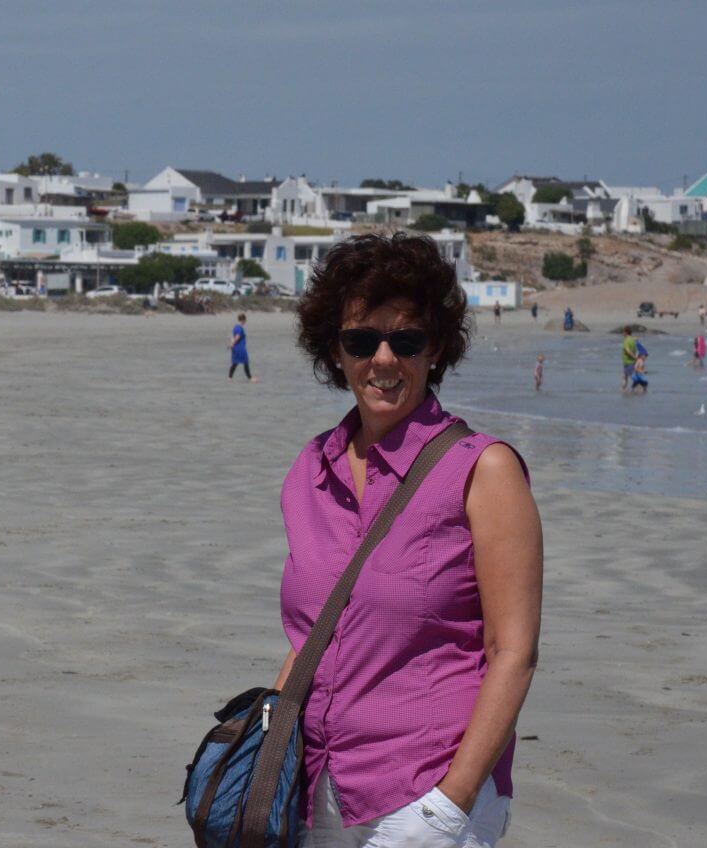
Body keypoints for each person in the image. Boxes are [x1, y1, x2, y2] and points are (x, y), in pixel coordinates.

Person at [280, 233, 541, 847]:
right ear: (335, 349)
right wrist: (269, 756)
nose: (384, 360)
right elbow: (309, 637)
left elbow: (513, 651)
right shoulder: (311, 470)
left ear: (436, 347)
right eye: (361, 341)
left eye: (406, 341)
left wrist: (451, 804)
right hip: (315, 791)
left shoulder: (484, 470)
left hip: (423, 794)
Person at [228, 313, 256, 382]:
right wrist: (232, 344)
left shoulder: (235, 327)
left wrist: (231, 344)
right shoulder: (240, 328)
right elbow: (237, 337)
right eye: (245, 320)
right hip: (240, 348)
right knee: (245, 362)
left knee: (235, 363)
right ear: (243, 320)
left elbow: (233, 337)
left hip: (235, 348)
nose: (245, 322)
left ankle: (229, 378)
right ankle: (250, 378)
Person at [620, 325, 638, 392]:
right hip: (631, 362)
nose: (622, 333)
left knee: (630, 377)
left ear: (626, 332)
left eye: (623, 332)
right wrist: (635, 358)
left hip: (629, 362)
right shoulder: (632, 340)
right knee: (625, 376)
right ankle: (623, 390)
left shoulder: (626, 340)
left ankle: (640, 388)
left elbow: (628, 351)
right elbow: (636, 350)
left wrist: (635, 358)